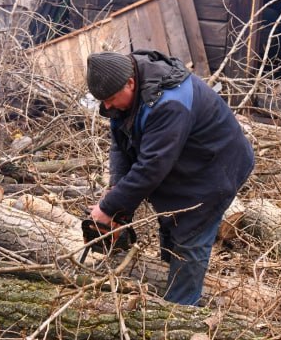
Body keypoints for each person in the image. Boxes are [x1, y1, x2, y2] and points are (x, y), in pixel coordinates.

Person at [86, 50, 255, 306]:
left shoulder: (168, 103)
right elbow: (120, 143)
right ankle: (170, 273)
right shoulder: (126, 82)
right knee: (169, 214)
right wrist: (115, 188)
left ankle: (179, 314)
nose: (107, 107)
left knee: (190, 233)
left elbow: (151, 168)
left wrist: (109, 208)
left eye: (110, 99)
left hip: (217, 166)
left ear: (130, 83)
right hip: (185, 158)